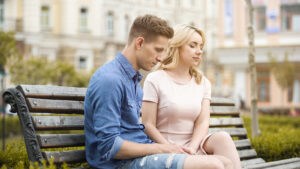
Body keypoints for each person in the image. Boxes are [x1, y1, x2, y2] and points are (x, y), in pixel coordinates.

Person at [85, 15, 234, 169]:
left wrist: (165, 149)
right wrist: (163, 148)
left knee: (226, 163)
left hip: (139, 156)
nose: (161, 58)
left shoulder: (132, 79)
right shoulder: (110, 80)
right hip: (120, 164)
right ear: (140, 43)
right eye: (158, 50)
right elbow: (109, 146)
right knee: (213, 165)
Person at [142, 25, 242, 169]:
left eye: (201, 47)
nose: (199, 51)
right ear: (177, 46)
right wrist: (170, 148)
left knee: (223, 138)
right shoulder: (155, 79)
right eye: (193, 46)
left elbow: (202, 122)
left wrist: (193, 149)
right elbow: (148, 124)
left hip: (193, 148)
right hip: (165, 149)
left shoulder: (203, 82)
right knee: (218, 165)